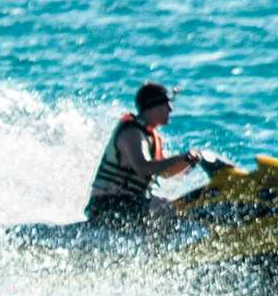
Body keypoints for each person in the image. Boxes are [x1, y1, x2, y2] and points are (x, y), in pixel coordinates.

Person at [85, 83, 217, 232]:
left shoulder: (152, 137)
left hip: (129, 203)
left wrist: (187, 162)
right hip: (108, 204)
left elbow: (164, 172)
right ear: (153, 106)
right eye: (166, 104)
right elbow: (143, 168)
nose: (170, 109)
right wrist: (180, 157)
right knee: (162, 207)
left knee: (174, 206)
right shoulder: (132, 133)